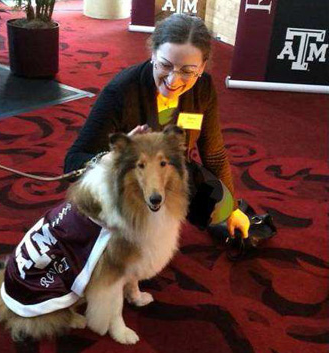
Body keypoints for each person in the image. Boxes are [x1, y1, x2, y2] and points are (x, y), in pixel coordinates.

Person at [64, 14, 250, 240]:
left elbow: (214, 153)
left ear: (201, 67)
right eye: (165, 65)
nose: (173, 80)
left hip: (167, 169)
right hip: (127, 179)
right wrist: (113, 157)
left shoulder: (203, 88)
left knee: (218, 204)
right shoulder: (121, 92)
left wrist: (233, 209)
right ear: (153, 54)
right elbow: (72, 163)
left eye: (187, 71)